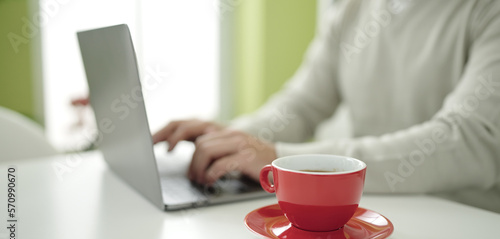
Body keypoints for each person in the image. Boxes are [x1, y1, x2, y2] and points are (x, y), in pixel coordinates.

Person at [153, 0, 500, 213]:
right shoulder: (352, 8)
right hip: (376, 214)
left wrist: (284, 158)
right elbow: (302, 105)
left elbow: (473, 140)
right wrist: (231, 140)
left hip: (469, 225)